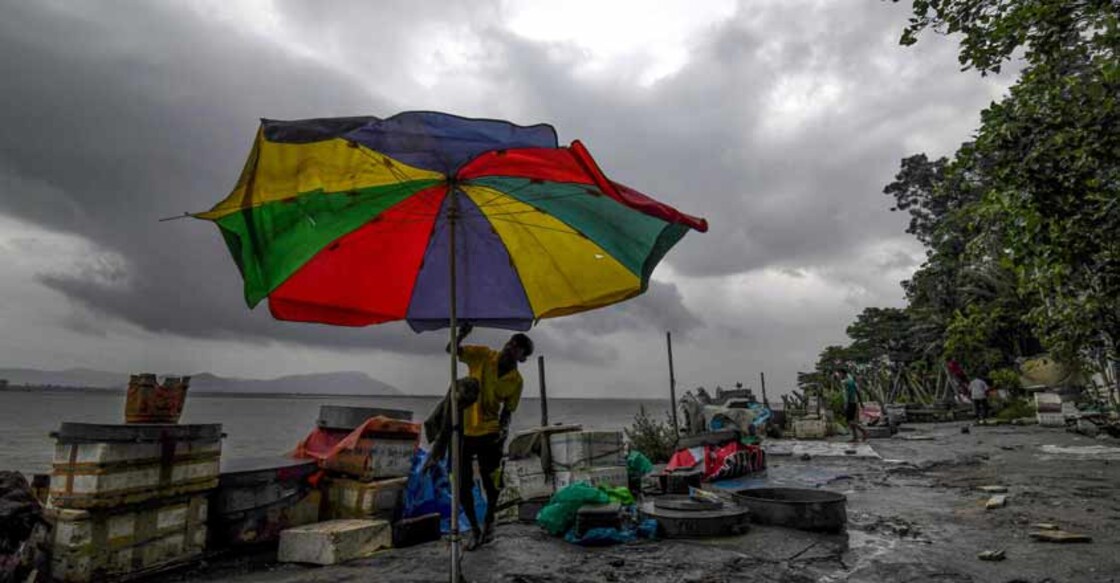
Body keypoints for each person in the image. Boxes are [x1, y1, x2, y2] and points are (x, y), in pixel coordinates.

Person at [447, 322, 533, 551]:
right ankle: (474, 529)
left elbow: (508, 411)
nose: (511, 347)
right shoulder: (483, 356)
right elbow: (452, 351)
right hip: (463, 430)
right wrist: (460, 335)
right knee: (462, 483)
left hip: (490, 434)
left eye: (518, 347)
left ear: (522, 357)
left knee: (491, 483)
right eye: (511, 342)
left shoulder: (517, 381)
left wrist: (504, 431)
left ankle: (489, 522)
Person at [836, 368, 869, 442]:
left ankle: (864, 431)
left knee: (849, 421)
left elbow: (847, 394)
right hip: (854, 402)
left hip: (850, 402)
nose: (839, 376)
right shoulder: (852, 381)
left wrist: (846, 404)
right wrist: (861, 403)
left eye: (840, 374)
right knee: (851, 421)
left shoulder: (845, 382)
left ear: (843, 374)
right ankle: (855, 437)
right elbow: (857, 392)